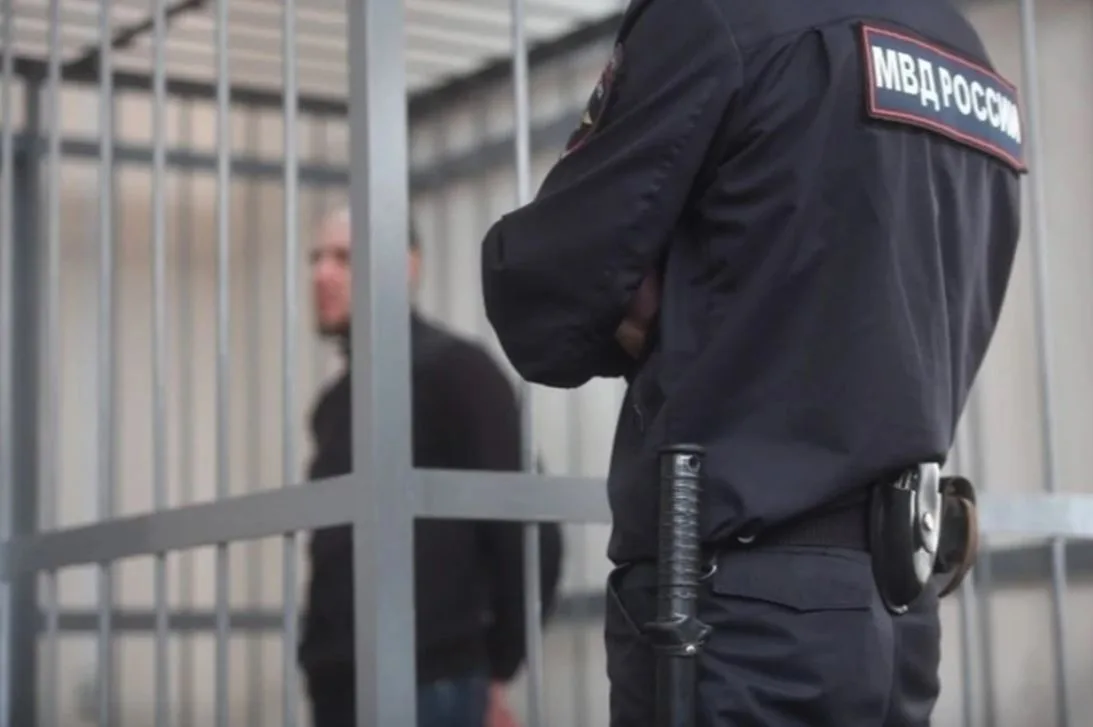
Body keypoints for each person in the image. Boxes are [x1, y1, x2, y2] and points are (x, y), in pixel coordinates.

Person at [479, 1, 1023, 725]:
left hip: (736, 618)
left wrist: (677, 315)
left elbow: (545, 292)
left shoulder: (719, 16)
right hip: (898, 613)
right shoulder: (967, 57)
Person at [299, 205, 563, 727]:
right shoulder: (334, 404)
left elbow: (528, 530)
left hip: (434, 680)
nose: (321, 273)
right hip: (339, 683)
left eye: (344, 258)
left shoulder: (456, 372)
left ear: (407, 266)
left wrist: (495, 667)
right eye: (316, 257)